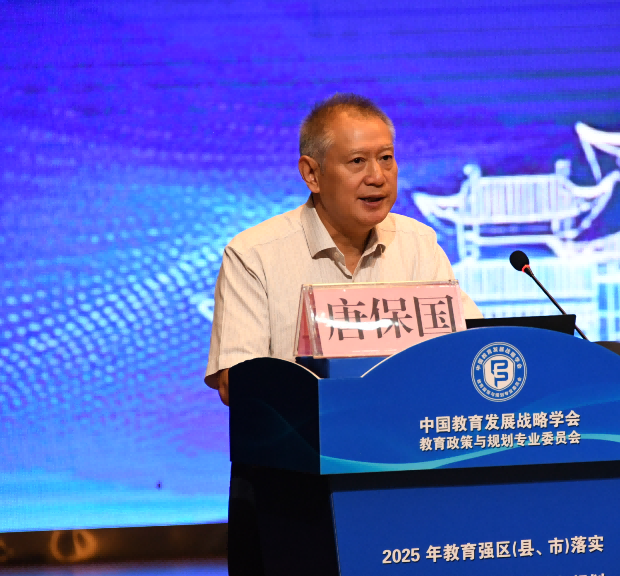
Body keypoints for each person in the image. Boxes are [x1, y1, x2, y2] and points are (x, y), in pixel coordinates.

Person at [203, 93, 481, 574]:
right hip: (291, 491)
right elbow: (236, 383)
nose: (377, 176)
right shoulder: (255, 255)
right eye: (357, 162)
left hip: (404, 475)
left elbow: (468, 345)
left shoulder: (419, 245)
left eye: (386, 158)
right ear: (311, 174)